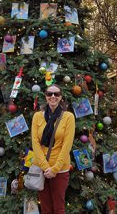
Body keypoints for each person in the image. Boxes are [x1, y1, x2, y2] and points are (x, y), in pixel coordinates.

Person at [31, 84, 75, 214]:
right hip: (41, 169)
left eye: (56, 94)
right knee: (45, 208)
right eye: (50, 94)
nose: (53, 97)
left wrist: (55, 169)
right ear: (46, 96)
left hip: (60, 169)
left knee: (58, 207)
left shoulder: (68, 117)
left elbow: (67, 146)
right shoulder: (37, 116)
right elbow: (35, 143)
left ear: (61, 97)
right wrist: (45, 167)